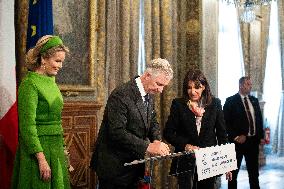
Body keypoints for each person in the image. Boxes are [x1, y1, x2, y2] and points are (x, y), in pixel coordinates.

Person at [90, 58, 173, 189]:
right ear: (147, 75)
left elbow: (152, 121)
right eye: (159, 84)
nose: (161, 90)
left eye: (164, 86)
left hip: (133, 167)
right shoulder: (121, 94)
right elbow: (116, 132)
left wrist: (156, 140)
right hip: (114, 167)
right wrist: (148, 146)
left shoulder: (148, 92)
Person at [11, 35, 71, 189]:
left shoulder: (51, 82)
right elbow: (27, 126)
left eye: (62, 61)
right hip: (37, 152)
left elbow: (56, 121)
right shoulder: (30, 84)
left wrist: (63, 151)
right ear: (44, 59)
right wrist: (41, 158)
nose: (60, 66)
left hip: (55, 147)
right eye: (57, 61)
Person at [163, 69, 232, 189]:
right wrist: (186, 145)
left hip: (209, 162)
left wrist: (227, 164)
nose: (193, 91)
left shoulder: (215, 103)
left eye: (197, 87)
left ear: (204, 87)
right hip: (185, 161)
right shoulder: (178, 104)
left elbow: (222, 135)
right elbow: (168, 133)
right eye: (189, 87)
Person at [223, 76, 265, 189]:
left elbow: (259, 120)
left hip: (253, 142)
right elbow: (225, 123)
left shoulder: (254, 100)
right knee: (233, 174)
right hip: (237, 144)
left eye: (250, 84)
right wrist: (236, 137)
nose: (250, 86)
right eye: (248, 84)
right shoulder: (230, 101)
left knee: (254, 173)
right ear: (241, 85)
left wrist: (261, 136)